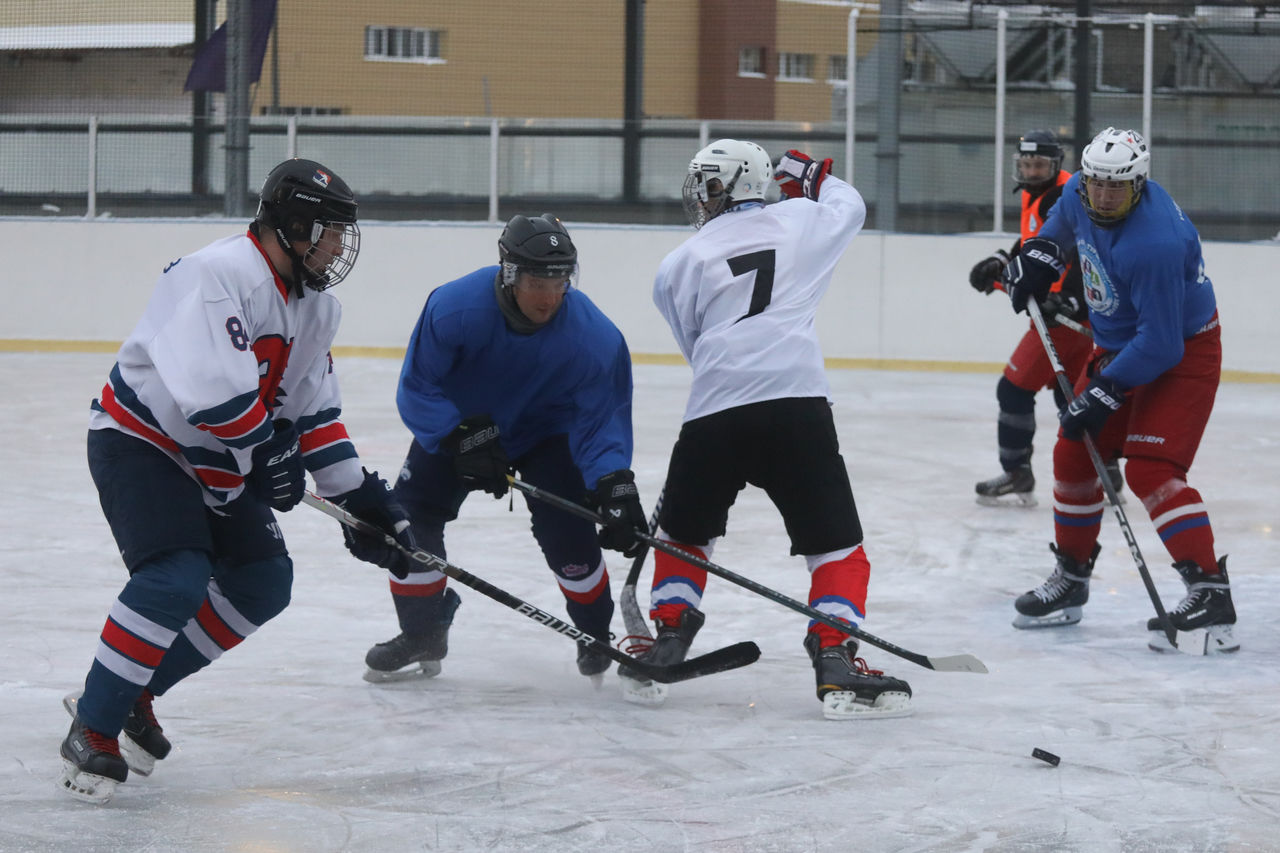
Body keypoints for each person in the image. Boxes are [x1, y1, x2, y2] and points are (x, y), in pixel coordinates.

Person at [59, 158, 417, 804]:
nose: (338, 247)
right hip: (143, 443)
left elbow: (312, 417)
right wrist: (265, 451)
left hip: (218, 462)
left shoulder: (315, 310)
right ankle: (94, 722)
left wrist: (364, 500)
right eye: (329, 231)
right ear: (295, 221)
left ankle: (133, 686)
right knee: (175, 573)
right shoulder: (218, 273)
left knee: (263, 579)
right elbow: (211, 398)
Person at [621, 139, 912, 719]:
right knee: (837, 546)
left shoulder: (680, 260)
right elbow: (850, 205)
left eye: (706, 184)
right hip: (796, 405)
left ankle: (671, 633)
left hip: (716, 407)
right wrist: (810, 175)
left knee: (683, 534)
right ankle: (835, 656)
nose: (699, 197)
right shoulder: (801, 219)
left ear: (727, 187)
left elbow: (695, 345)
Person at [363, 213, 645, 683]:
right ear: (510, 273)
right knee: (410, 518)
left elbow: (602, 421)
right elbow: (419, 386)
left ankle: (595, 634)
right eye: (538, 280)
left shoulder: (595, 338)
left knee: (568, 531)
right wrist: (457, 437)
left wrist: (613, 483)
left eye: (560, 281)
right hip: (460, 424)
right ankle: (422, 632)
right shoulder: (454, 307)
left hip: (546, 433)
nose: (551, 297)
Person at [1001, 127, 1237, 653]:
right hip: (1119, 345)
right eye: (1098, 184)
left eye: (1118, 187)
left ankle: (1210, 593)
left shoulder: (1153, 242)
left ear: (1140, 183)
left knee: (1152, 469)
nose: (1105, 196)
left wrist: (1105, 393)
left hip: (1180, 353)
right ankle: (1071, 580)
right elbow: (1059, 227)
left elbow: (1161, 344)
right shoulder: (1079, 192)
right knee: (1074, 453)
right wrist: (1037, 257)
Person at [967, 129, 1121, 507]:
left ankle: (1018, 471)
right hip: (1073, 316)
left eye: (1040, 165)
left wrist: (1069, 299)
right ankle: (1107, 466)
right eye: (1027, 164)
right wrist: (1004, 261)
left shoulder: (1062, 195)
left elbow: (1079, 246)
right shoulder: (1040, 195)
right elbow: (1035, 242)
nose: (1033, 171)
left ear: (1057, 165)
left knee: (1014, 390)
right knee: (1068, 396)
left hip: (1063, 320)